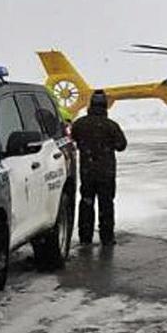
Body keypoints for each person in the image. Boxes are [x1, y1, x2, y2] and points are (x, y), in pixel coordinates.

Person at [71, 90, 128, 246]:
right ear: (105, 107)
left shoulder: (80, 124)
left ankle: (85, 237)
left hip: (87, 171)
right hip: (106, 172)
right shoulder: (111, 126)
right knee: (106, 204)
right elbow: (121, 145)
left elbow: (72, 139)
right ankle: (107, 237)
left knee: (86, 203)